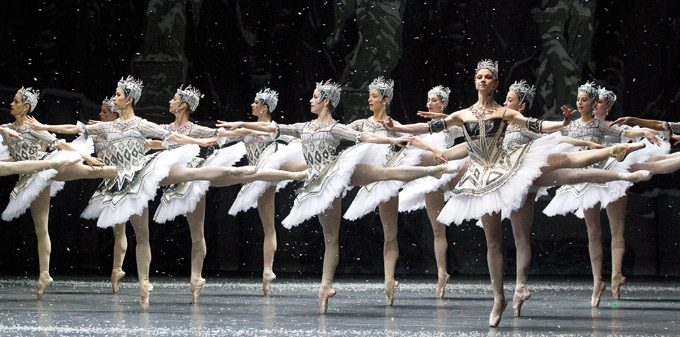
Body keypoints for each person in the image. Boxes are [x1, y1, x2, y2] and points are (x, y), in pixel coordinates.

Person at [216, 80, 454, 314]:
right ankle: (326, 285)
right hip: (319, 180)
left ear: (325, 101)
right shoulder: (307, 126)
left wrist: (394, 139)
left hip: (339, 172)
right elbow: (273, 128)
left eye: (314, 97)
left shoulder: (336, 127)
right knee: (329, 236)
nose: (310, 100)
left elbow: (373, 138)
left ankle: (432, 171)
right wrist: (241, 124)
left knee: (384, 176)